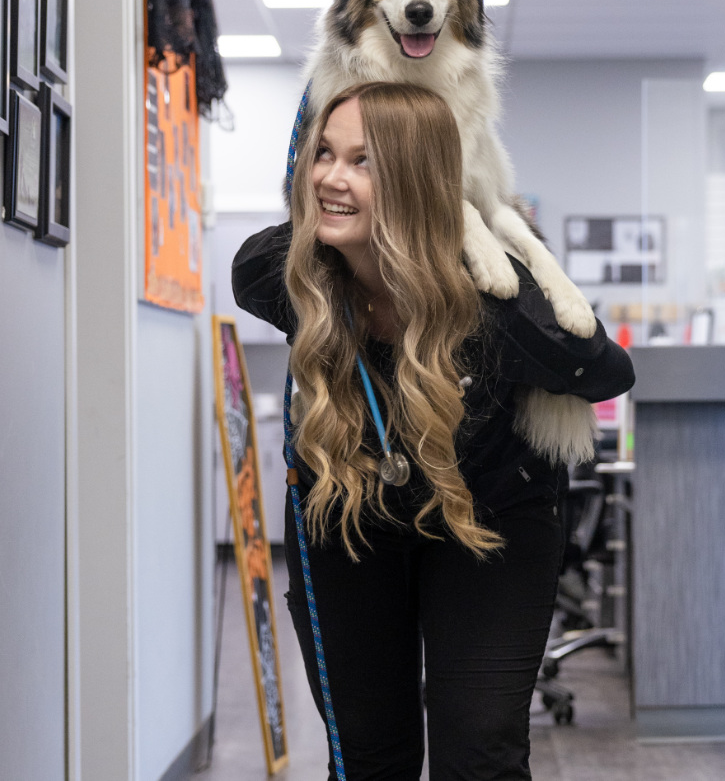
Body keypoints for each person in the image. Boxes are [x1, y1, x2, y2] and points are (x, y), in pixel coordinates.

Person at [232, 81, 634, 781]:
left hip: (491, 517)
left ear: (419, 182)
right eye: (323, 154)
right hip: (349, 511)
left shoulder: (490, 301)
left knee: (478, 751)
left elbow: (603, 370)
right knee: (366, 751)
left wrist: (493, 266)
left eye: (363, 161)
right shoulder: (289, 273)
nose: (330, 176)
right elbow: (254, 263)